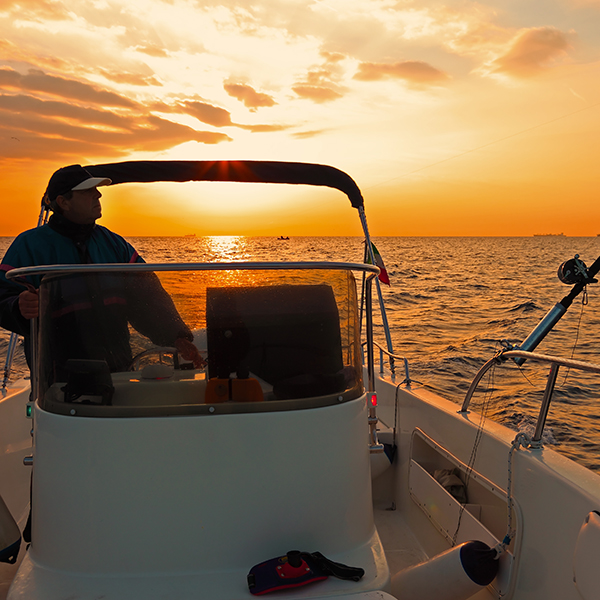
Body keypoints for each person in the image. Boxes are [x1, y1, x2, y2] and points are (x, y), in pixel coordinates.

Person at [0, 164, 204, 376]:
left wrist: (177, 336)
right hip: (57, 380)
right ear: (63, 202)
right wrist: (18, 306)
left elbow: (148, 296)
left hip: (118, 372)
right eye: (87, 191)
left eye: (96, 190)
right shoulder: (29, 246)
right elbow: (3, 294)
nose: (97, 195)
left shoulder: (115, 244)